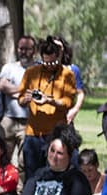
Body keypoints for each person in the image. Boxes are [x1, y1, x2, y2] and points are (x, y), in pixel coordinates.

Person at [18, 37, 76, 181]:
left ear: (59, 57)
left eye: (53, 62)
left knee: (56, 174)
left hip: (55, 134)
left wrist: (49, 100)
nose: (49, 65)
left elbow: (68, 102)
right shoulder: (31, 73)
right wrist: (25, 100)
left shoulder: (67, 75)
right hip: (33, 133)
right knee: (32, 175)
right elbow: (20, 98)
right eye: (46, 62)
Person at [0, 35, 37, 166]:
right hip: (8, 119)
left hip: (30, 120)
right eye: (21, 48)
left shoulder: (39, 69)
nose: (23, 52)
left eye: (27, 49)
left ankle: (20, 187)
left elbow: (39, 91)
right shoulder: (9, 67)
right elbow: (2, 86)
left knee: (24, 161)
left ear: (34, 50)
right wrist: (24, 90)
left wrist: (13, 91)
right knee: (1, 157)